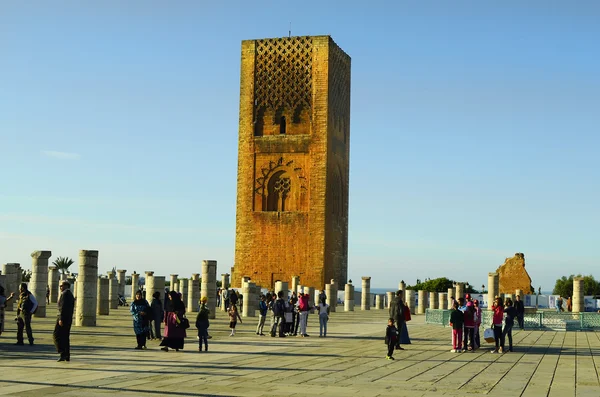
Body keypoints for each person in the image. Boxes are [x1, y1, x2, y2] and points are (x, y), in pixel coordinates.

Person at [53, 280, 75, 361]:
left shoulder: (65, 294)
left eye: (61, 286)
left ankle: (62, 352)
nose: (60, 287)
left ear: (66, 286)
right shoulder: (70, 294)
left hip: (62, 318)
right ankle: (66, 355)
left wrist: (61, 319)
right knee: (65, 337)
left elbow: (63, 308)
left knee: (56, 335)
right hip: (68, 319)